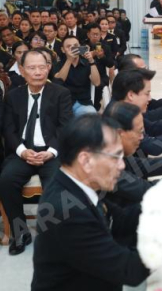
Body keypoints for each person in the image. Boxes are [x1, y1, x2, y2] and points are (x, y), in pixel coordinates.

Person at [31, 114, 150, 290]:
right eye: (115, 157)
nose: (122, 165)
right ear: (86, 160)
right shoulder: (66, 212)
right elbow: (129, 271)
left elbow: (122, 218)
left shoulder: (79, 181)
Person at [0, 49, 73, 255]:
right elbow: (9, 129)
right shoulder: (13, 96)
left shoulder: (61, 93)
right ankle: (20, 232)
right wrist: (22, 151)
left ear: (49, 68)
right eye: (32, 68)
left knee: (56, 183)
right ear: (22, 70)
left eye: (42, 67)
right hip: (23, 151)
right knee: (6, 179)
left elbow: (65, 126)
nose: (38, 72)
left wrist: (51, 151)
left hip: (51, 153)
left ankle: (53, 234)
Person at [54, 35, 101, 115]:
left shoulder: (87, 63)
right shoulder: (57, 65)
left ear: (80, 47)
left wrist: (91, 61)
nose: (73, 49)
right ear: (63, 50)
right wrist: (69, 60)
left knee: (91, 116)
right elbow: (59, 82)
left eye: (75, 46)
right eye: (69, 46)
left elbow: (97, 83)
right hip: (64, 104)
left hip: (84, 103)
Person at [84, 23, 115, 110]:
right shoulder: (83, 45)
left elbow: (110, 64)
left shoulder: (105, 47)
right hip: (85, 75)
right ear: (88, 35)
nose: (95, 36)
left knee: (98, 86)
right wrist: (90, 55)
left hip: (101, 76)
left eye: (97, 34)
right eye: (93, 34)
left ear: (100, 34)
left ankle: (95, 107)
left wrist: (102, 57)